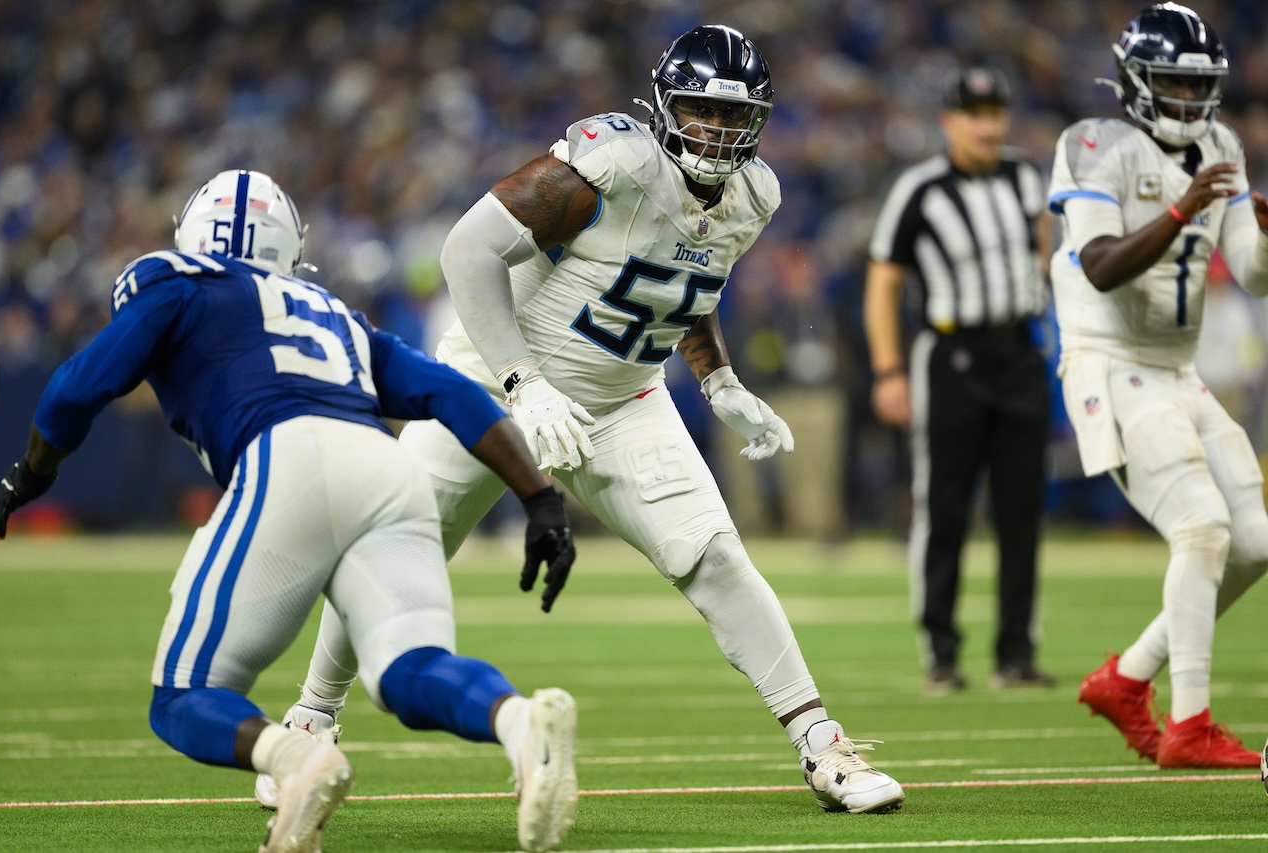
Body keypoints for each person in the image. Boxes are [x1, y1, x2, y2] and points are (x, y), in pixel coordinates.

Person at [260, 24, 905, 816]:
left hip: (624, 398)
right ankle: (308, 721)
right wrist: (522, 382)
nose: (718, 132)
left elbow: (682, 287)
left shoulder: (754, 196)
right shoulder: (616, 165)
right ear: (666, 107)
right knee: (391, 544)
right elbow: (468, 251)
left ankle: (820, 740)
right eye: (702, 111)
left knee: (717, 558)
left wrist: (720, 379)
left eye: (736, 119)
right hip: (493, 383)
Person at [0, 169, 581, 853]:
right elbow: (452, 393)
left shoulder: (175, 281)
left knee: (181, 696)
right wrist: (539, 496)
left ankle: (297, 756)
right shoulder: (330, 312)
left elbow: (76, 386)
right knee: (408, 671)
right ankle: (518, 722)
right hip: (387, 469)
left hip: (286, 458)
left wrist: (31, 471)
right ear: (289, 248)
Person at [1049, 3, 1268, 768]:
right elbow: (1102, 265)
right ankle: (1191, 722)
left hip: (1177, 370)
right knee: (1203, 529)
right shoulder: (1091, 145)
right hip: (1108, 360)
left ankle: (1128, 677)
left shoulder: (1221, 146)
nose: (1186, 100)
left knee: (1255, 541)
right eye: (1171, 83)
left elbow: (1251, 274)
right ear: (1136, 83)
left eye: (1196, 85)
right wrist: (1181, 209)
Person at [863, 66, 1055, 693]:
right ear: (949, 122)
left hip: (1020, 353)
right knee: (944, 508)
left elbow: (1046, 255)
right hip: (951, 358)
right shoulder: (919, 188)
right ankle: (941, 653)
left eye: (997, 112)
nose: (990, 125)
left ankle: (1016, 653)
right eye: (976, 114)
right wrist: (889, 370)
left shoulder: (1026, 176)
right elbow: (883, 283)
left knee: (1022, 510)